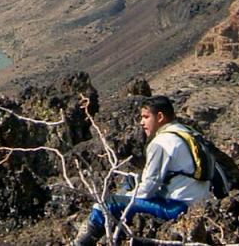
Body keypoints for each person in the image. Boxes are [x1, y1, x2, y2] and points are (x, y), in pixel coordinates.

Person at [72, 96, 212, 245]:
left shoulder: (162, 142)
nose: (141, 122)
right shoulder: (188, 133)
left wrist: (126, 196)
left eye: (146, 117)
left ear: (159, 117)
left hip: (176, 207)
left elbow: (148, 188)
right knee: (131, 179)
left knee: (107, 204)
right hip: (198, 203)